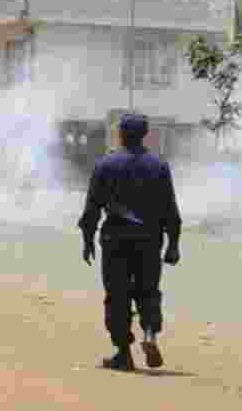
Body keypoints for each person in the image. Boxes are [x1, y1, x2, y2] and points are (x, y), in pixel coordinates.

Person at [78, 113, 181, 372]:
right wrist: (173, 244)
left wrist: (87, 240)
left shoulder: (106, 164)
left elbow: (92, 208)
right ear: (145, 134)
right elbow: (170, 209)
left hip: (116, 240)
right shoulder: (158, 166)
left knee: (117, 296)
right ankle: (150, 335)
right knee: (148, 291)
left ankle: (123, 353)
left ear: (121, 133)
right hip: (149, 240)